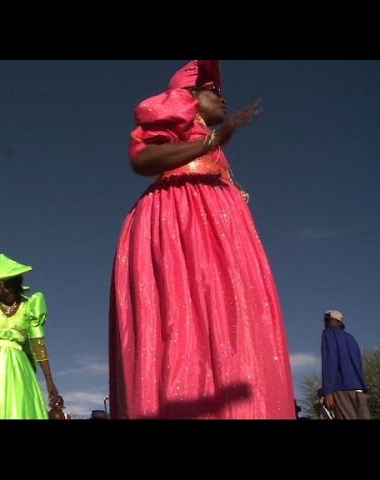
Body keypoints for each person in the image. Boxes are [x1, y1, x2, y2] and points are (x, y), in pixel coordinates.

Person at [109, 60, 295, 419]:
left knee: (233, 319)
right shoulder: (181, 130)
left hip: (220, 231)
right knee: (184, 317)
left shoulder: (211, 145)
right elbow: (142, 159)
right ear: (189, 96)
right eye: (215, 91)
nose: (223, 99)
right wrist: (210, 141)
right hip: (180, 222)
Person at [0, 254, 60, 419]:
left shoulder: (30, 306)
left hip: (19, 370)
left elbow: (37, 343)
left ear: (17, 284)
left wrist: (49, 380)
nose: (4, 290)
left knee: (18, 408)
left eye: (8, 285)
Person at [321, 309, 371, 419]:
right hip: (359, 389)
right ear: (340, 322)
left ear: (327, 321)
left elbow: (330, 360)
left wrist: (328, 390)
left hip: (342, 389)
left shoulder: (328, 334)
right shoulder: (351, 338)